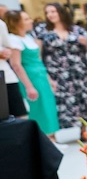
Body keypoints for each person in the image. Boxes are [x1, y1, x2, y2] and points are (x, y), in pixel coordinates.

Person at [36, 2, 87, 132]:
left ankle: (84, 130)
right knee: (62, 100)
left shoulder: (76, 29)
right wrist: (45, 73)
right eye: (47, 12)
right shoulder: (42, 30)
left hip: (79, 70)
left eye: (53, 11)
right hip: (56, 71)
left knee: (83, 97)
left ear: (61, 12)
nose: (50, 15)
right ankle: (57, 130)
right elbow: (38, 54)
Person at [5, 10, 58, 139]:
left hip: (40, 75)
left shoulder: (28, 37)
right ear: (17, 23)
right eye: (26, 19)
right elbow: (16, 64)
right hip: (30, 77)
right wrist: (28, 86)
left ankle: (51, 137)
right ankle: (42, 139)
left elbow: (39, 60)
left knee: (47, 106)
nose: (31, 21)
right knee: (37, 108)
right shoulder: (14, 40)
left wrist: (49, 78)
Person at [0, 5, 27, 120]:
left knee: (20, 116)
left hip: (6, 77)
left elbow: (8, 48)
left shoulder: (1, 24)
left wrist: (5, 53)